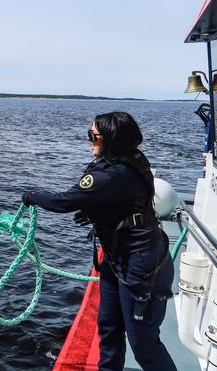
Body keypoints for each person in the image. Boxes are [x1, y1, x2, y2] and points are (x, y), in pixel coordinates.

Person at [22, 111, 176, 371]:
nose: (89, 140)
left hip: (140, 265)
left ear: (111, 138)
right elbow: (125, 201)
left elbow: (63, 202)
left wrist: (32, 195)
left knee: (144, 345)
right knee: (108, 329)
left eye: (93, 135)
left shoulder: (109, 174)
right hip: (119, 259)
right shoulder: (132, 161)